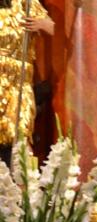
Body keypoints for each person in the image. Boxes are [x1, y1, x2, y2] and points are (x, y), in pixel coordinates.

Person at [0, 0, 54, 165]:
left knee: (20, 132)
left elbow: (54, 28)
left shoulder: (25, 2)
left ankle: (25, 179)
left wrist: (41, 24)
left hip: (19, 80)